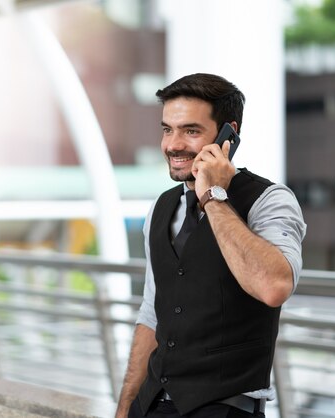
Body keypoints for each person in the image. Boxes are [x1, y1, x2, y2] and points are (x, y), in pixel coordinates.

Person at [115, 73, 306, 418]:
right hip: (151, 404)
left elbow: (274, 286)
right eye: (167, 129)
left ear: (226, 135)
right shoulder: (160, 208)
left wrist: (214, 197)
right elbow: (151, 314)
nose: (173, 145)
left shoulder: (270, 201)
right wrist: (126, 406)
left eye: (190, 131)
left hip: (225, 408)